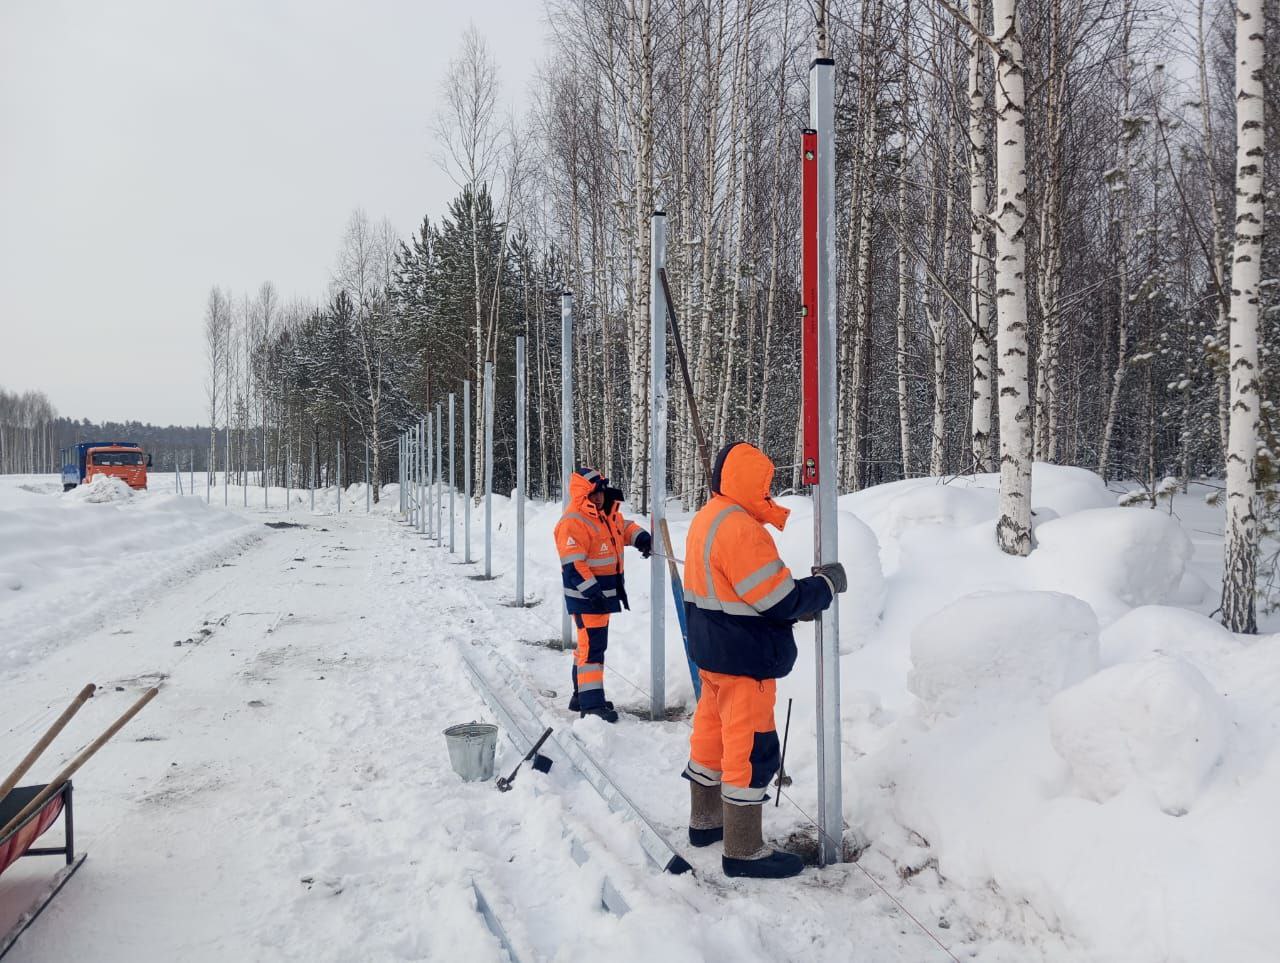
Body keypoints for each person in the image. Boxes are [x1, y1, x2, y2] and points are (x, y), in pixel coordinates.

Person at [681, 441, 846, 879]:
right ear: (750, 482)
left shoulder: (707, 516)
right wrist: (824, 588)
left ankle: (705, 822)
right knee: (750, 750)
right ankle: (743, 848)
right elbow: (776, 598)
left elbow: (741, 590)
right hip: (744, 660)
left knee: (711, 739)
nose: (770, 491)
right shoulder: (740, 528)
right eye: (766, 484)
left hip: (713, 654)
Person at [554, 467, 652, 723]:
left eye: (600, 493)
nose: (599, 497)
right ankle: (592, 704)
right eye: (593, 493)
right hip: (588, 598)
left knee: (587, 647)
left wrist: (640, 537)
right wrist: (592, 592)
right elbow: (574, 564)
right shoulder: (574, 521)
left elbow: (622, 528)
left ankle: (581, 697)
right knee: (592, 651)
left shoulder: (604, 516)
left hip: (600, 597)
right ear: (583, 494)